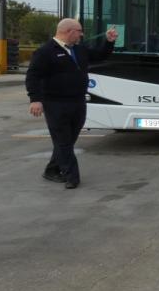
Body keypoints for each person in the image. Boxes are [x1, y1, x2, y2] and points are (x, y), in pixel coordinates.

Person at [26, 19, 117, 189]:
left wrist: (109, 42)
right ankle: (72, 177)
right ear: (69, 31)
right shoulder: (45, 51)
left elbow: (99, 55)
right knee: (63, 141)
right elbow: (33, 76)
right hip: (55, 103)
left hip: (77, 101)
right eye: (79, 31)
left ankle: (52, 169)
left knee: (68, 139)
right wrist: (35, 99)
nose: (82, 34)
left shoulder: (78, 49)